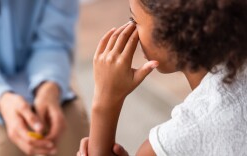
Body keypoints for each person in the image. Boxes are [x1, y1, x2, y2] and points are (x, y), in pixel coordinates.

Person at [77, 0, 247, 155]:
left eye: (134, 20)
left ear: (171, 26)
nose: (132, 31)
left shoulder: (175, 140)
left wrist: (106, 100)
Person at [0, 0, 89, 156]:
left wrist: (48, 87)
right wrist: (1, 100)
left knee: (72, 126)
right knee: (2, 143)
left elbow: (55, 41)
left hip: (49, 68)